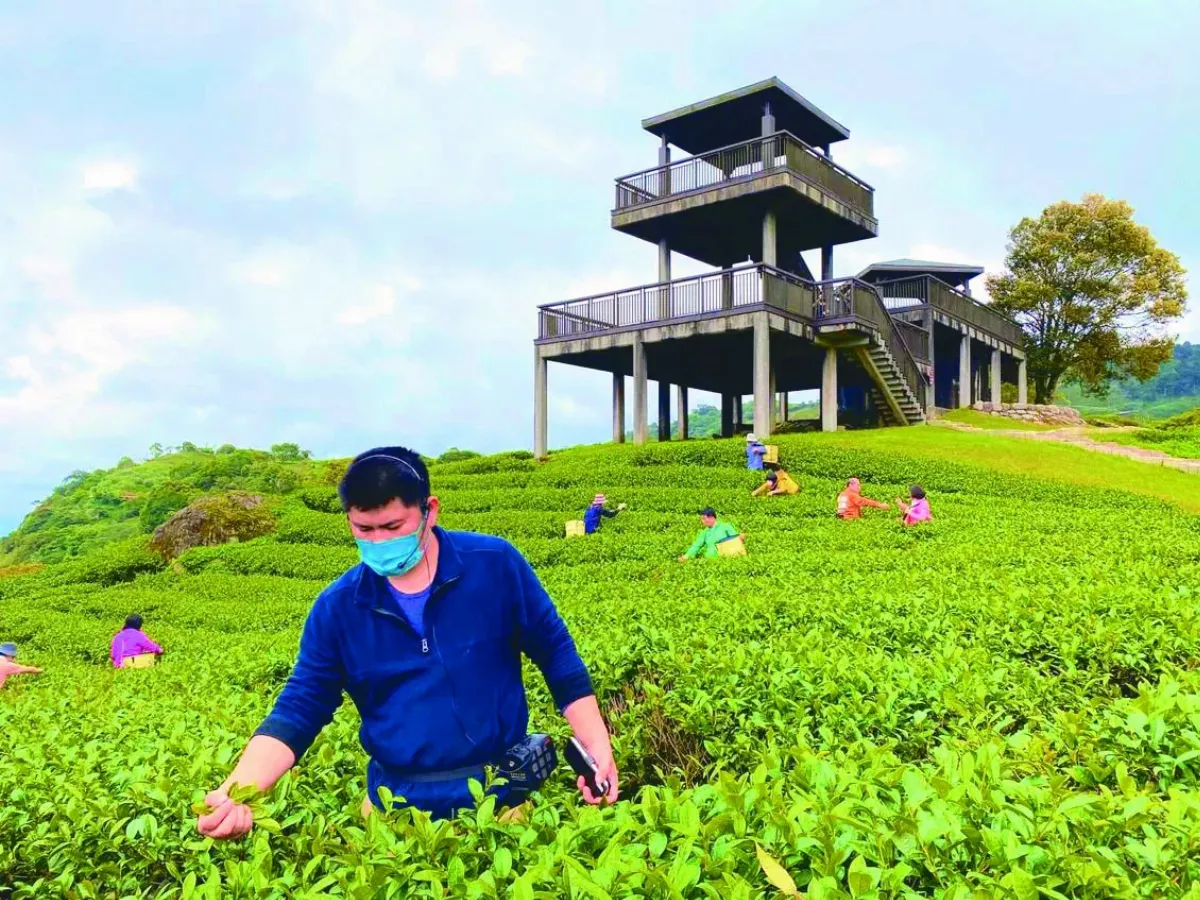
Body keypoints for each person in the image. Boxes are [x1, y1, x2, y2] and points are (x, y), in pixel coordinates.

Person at [196, 446, 617, 840]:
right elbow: (299, 708)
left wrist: (596, 745)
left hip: (502, 802)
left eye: (393, 527)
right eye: (365, 529)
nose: (379, 541)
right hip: (394, 812)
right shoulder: (338, 608)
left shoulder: (495, 565)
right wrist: (236, 791)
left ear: (428, 511)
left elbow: (556, 654)